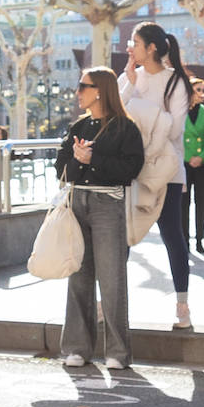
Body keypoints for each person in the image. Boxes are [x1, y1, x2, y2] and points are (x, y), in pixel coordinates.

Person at [55, 68, 145, 369]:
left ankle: (118, 352)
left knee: (111, 277)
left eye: (83, 86)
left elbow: (131, 169)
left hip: (108, 201)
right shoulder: (79, 125)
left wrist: (93, 160)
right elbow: (61, 169)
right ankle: (77, 348)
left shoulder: (124, 127)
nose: (78, 92)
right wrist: (78, 161)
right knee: (78, 275)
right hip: (77, 201)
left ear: (100, 90)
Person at [119, 22, 193, 328]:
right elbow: (116, 117)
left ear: (151, 47)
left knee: (173, 236)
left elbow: (175, 129)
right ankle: (111, 303)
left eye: (134, 42)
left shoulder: (175, 81)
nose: (129, 47)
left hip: (166, 171)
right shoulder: (129, 78)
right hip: (132, 169)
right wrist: (131, 84)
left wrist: (139, 110)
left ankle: (183, 306)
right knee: (122, 237)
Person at [182, 73, 204, 253]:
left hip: (203, 164)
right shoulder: (180, 112)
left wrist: (201, 157)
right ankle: (185, 240)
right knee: (184, 203)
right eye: (198, 89)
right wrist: (188, 158)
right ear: (190, 91)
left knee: (201, 201)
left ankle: (199, 240)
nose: (202, 93)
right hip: (184, 164)